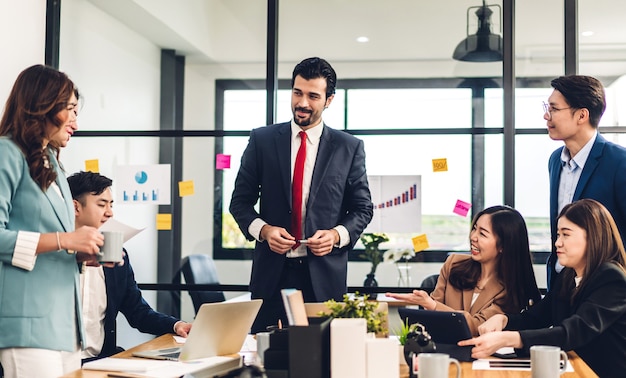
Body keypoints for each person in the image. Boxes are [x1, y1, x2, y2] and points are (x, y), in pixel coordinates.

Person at [229, 57, 373, 333]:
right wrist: (264, 230)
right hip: (271, 276)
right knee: (266, 361)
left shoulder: (349, 148)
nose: (302, 103)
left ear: (329, 100)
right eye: (297, 93)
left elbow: (363, 209)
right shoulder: (262, 141)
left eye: (313, 96)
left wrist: (335, 235)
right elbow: (240, 202)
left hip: (324, 279)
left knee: (321, 363)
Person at [0, 65, 104, 377]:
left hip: (65, 329)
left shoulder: (54, 166)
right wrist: (65, 240)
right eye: (69, 109)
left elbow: (54, 240)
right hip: (27, 326)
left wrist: (80, 251)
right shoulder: (7, 152)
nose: (75, 120)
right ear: (42, 105)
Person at [459, 199, 626, 377]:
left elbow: (571, 332)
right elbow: (537, 317)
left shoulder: (611, 278)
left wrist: (509, 339)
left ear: (592, 237)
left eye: (565, 235)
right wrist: (504, 320)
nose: (557, 243)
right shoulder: (568, 276)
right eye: (558, 235)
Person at [67, 171, 192, 362]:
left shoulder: (115, 256)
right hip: (59, 363)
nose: (110, 212)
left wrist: (177, 325)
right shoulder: (54, 256)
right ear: (75, 207)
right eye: (101, 204)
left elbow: (138, 311)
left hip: (100, 360)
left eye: (111, 204)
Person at [386, 206, 541, 336]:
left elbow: (477, 327)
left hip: (484, 358)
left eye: (482, 233)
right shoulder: (453, 264)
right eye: (474, 229)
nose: (473, 237)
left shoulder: (512, 289)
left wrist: (431, 305)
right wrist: (430, 305)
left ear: (503, 246)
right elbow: (430, 320)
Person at [545, 75, 626, 290]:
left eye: (553, 109)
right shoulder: (555, 160)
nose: (546, 115)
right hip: (561, 287)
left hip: (603, 291)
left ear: (581, 115)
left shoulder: (619, 162)